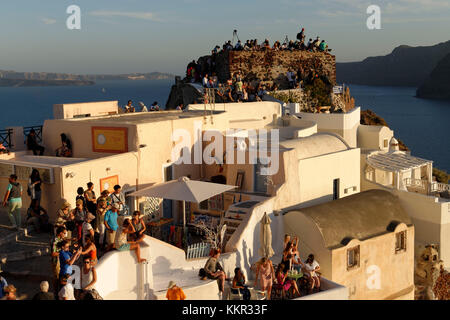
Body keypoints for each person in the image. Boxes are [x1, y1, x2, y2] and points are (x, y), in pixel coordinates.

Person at [51, 226, 67, 296]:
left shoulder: (60, 239)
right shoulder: (55, 241)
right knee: (56, 278)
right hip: (56, 261)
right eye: (64, 233)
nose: (65, 234)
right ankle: (55, 293)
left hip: (60, 261)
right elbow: (53, 253)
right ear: (60, 233)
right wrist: (62, 253)